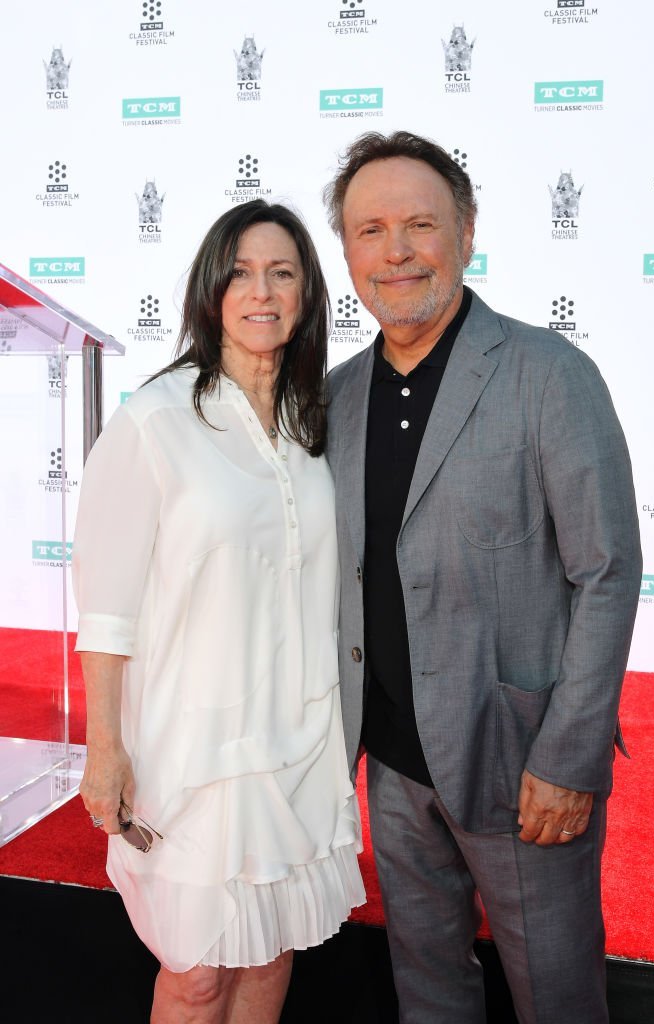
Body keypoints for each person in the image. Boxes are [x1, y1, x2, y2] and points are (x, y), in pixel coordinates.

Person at [322, 131, 642, 1024]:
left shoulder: (548, 374)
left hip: (521, 764)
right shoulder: (337, 396)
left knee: (558, 997)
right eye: (369, 230)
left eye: (419, 224)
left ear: (465, 232)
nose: (395, 251)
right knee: (426, 992)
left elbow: (607, 573)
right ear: (345, 252)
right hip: (389, 763)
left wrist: (570, 757)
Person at [73, 199, 365, 1024]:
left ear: (307, 294)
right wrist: (106, 751)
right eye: (239, 272)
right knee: (196, 971)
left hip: (299, 740)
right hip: (191, 747)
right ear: (210, 291)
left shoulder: (313, 427)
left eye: (282, 272)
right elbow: (106, 610)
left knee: (272, 954)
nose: (260, 290)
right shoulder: (153, 423)